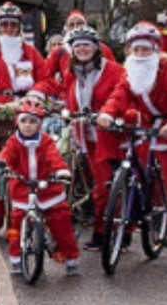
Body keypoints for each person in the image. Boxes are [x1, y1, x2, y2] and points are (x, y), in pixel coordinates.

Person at [97, 21, 167, 265]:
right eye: (136, 49)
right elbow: (119, 95)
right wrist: (108, 113)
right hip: (146, 126)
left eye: (146, 50)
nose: (140, 55)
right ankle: (126, 229)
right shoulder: (130, 69)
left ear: (156, 49)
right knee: (133, 175)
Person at [0, 2, 48, 235]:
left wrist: (35, 94)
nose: (9, 30)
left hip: (24, 116)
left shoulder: (31, 53)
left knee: (23, 169)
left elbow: (45, 79)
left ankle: (19, 219)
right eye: (4, 25)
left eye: (13, 26)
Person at [51, 26, 125, 251]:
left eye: (87, 45)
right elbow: (67, 95)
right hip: (86, 137)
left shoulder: (113, 71)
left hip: (110, 136)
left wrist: (107, 114)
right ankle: (109, 228)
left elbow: (122, 96)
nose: (82, 49)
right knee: (96, 185)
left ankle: (107, 232)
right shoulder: (71, 72)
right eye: (77, 46)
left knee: (105, 187)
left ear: (96, 48)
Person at [0, 96, 80, 275]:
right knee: (15, 225)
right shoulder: (13, 142)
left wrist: (60, 171)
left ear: (40, 124)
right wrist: (1, 164)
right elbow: (6, 155)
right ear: (17, 122)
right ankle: (16, 257)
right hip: (22, 187)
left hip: (47, 187)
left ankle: (71, 257)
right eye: (23, 121)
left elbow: (53, 157)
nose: (27, 125)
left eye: (33, 121)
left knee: (61, 221)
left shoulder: (46, 141)